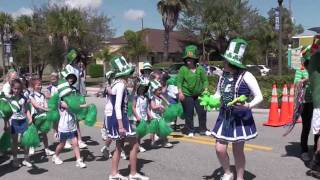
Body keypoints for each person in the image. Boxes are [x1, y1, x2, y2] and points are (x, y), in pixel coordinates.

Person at [211, 38, 263, 180]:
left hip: (240, 117)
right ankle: (228, 172)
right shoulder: (223, 76)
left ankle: (239, 178)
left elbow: (259, 96)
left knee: (237, 151)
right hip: (224, 116)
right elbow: (218, 94)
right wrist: (210, 100)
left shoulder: (247, 75)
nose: (223, 63)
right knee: (219, 149)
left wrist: (248, 105)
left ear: (232, 63)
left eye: (225, 61)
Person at [107, 56, 148, 180]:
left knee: (119, 147)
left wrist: (135, 88)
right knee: (134, 145)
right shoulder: (120, 85)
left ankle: (114, 174)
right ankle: (133, 173)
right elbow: (118, 107)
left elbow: (127, 100)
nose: (130, 75)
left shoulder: (117, 84)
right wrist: (120, 125)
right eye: (129, 73)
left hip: (117, 118)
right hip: (121, 119)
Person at [52, 71, 86, 168]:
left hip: (72, 124)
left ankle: (78, 160)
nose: (69, 94)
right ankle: (55, 155)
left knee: (75, 143)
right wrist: (84, 105)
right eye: (67, 93)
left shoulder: (70, 99)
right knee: (62, 144)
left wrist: (86, 105)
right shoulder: (61, 102)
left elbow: (76, 105)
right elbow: (73, 107)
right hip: (63, 126)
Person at [176, 45, 209, 137]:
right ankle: (190, 129)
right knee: (189, 112)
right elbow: (179, 81)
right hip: (187, 94)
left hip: (199, 94)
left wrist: (205, 90)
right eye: (187, 58)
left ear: (195, 59)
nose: (188, 60)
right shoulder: (183, 69)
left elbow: (205, 80)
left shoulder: (200, 69)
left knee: (202, 112)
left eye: (190, 58)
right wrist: (180, 92)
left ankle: (203, 129)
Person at [294, 45, 319, 162]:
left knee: (317, 128)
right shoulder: (301, 69)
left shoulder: (317, 68)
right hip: (305, 102)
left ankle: (316, 150)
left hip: (316, 102)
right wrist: (305, 80)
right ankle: (304, 150)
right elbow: (297, 84)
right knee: (307, 126)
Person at [9, 79, 33, 168]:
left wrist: (29, 118)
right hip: (14, 122)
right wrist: (6, 122)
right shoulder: (9, 98)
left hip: (23, 121)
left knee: (26, 141)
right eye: (15, 88)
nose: (17, 90)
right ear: (12, 88)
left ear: (21, 88)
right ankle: (15, 159)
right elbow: (6, 112)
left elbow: (26, 109)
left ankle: (26, 159)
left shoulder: (24, 98)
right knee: (14, 142)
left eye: (18, 89)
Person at [29, 78, 55, 156]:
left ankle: (47, 149)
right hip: (35, 116)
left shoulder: (42, 95)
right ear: (33, 86)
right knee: (35, 133)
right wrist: (46, 109)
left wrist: (48, 110)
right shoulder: (31, 95)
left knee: (44, 133)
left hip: (43, 116)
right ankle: (31, 147)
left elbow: (45, 104)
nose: (40, 86)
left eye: (40, 85)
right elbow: (36, 105)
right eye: (38, 85)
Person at [149, 80, 173, 148]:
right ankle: (153, 142)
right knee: (153, 130)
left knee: (163, 129)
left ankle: (165, 142)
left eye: (160, 90)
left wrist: (167, 103)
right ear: (154, 91)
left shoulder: (159, 96)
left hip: (160, 116)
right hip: (154, 117)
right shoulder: (152, 98)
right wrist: (159, 106)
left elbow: (162, 97)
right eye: (158, 90)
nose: (160, 91)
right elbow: (153, 107)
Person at [132, 77, 150, 152]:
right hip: (138, 118)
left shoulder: (146, 97)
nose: (142, 89)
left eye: (144, 88)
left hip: (144, 117)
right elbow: (133, 107)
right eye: (141, 88)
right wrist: (137, 116)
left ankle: (136, 144)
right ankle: (138, 146)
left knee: (142, 132)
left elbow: (147, 108)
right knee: (138, 132)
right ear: (138, 88)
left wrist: (149, 115)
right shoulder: (136, 97)